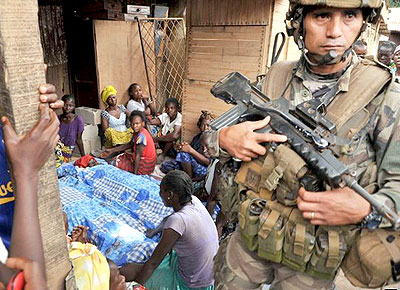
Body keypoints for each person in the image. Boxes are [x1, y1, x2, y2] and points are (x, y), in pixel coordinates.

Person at [205, 1, 400, 289]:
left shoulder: (384, 95)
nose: (335, 31)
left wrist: (365, 209)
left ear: (363, 23)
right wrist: (223, 139)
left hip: (314, 259)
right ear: (300, 21)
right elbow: (214, 136)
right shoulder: (277, 75)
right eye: (322, 16)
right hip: (252, 234)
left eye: (349, 16)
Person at [0, 84, 63, 289]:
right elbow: (22, 279)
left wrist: (39, 117)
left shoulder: (7, 128)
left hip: (29, 242)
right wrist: (26, 173)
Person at [120, 170, 219, 290]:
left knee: (133, 269)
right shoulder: (194, 201)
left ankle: (104, 277)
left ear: (170, 195)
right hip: (208, 277)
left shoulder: (177, 221)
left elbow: (153, 263)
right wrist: (154, 231)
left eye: (161, 190)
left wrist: (138, 286)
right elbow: (171, 218)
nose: (159, 194)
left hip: (191, 285)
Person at [161, 111, 215, 179]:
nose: (205, 128)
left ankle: (189, 179)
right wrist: (182, 147)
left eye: (208, 125)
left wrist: (190, 150)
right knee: (166, 166)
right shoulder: (197, 138)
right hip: (194, 166)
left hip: (205, 171)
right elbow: (189, 155)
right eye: (202, 125)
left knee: (183, 155)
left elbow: (210, 163)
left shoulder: (213, 141)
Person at [101, 111, 157, 175]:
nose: (134, 126)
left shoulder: (141, 137)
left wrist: (135, 174)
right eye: (132, 124)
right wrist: (111, 150)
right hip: (144, 160)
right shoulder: (137, 132)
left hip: (145, 165)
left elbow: (138, 156)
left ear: (143, 123)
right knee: (120, 157)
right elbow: (130, 144)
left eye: (137, 123)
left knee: (115, 162)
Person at [55, 95, 85, 166]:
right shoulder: (57, 119)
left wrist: (84, 157)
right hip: (56, 149)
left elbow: (79, 140)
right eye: (65, 105)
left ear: (74, 106)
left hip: (67, 151)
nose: (67, 108)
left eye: (70, 105)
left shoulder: (78, 120)